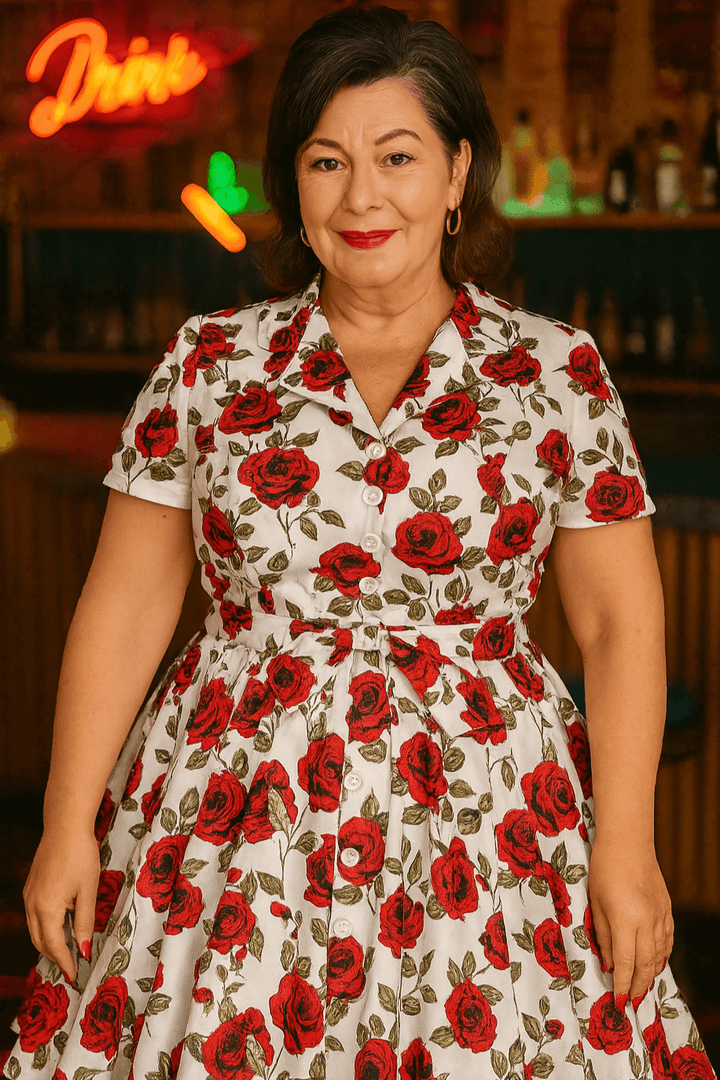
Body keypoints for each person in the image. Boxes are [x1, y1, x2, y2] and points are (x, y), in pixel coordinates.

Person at [5, 7, 718, 1080]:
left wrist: (627, 844)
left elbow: (619, 622)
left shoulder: (554, 372)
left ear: (457, 171)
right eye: (326, 161)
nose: (362, 196)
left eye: (397, 156)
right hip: (237, 816)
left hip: (491, 813)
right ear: (294, 184)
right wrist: (68, 825)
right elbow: (124, 610)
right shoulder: (211, 366)